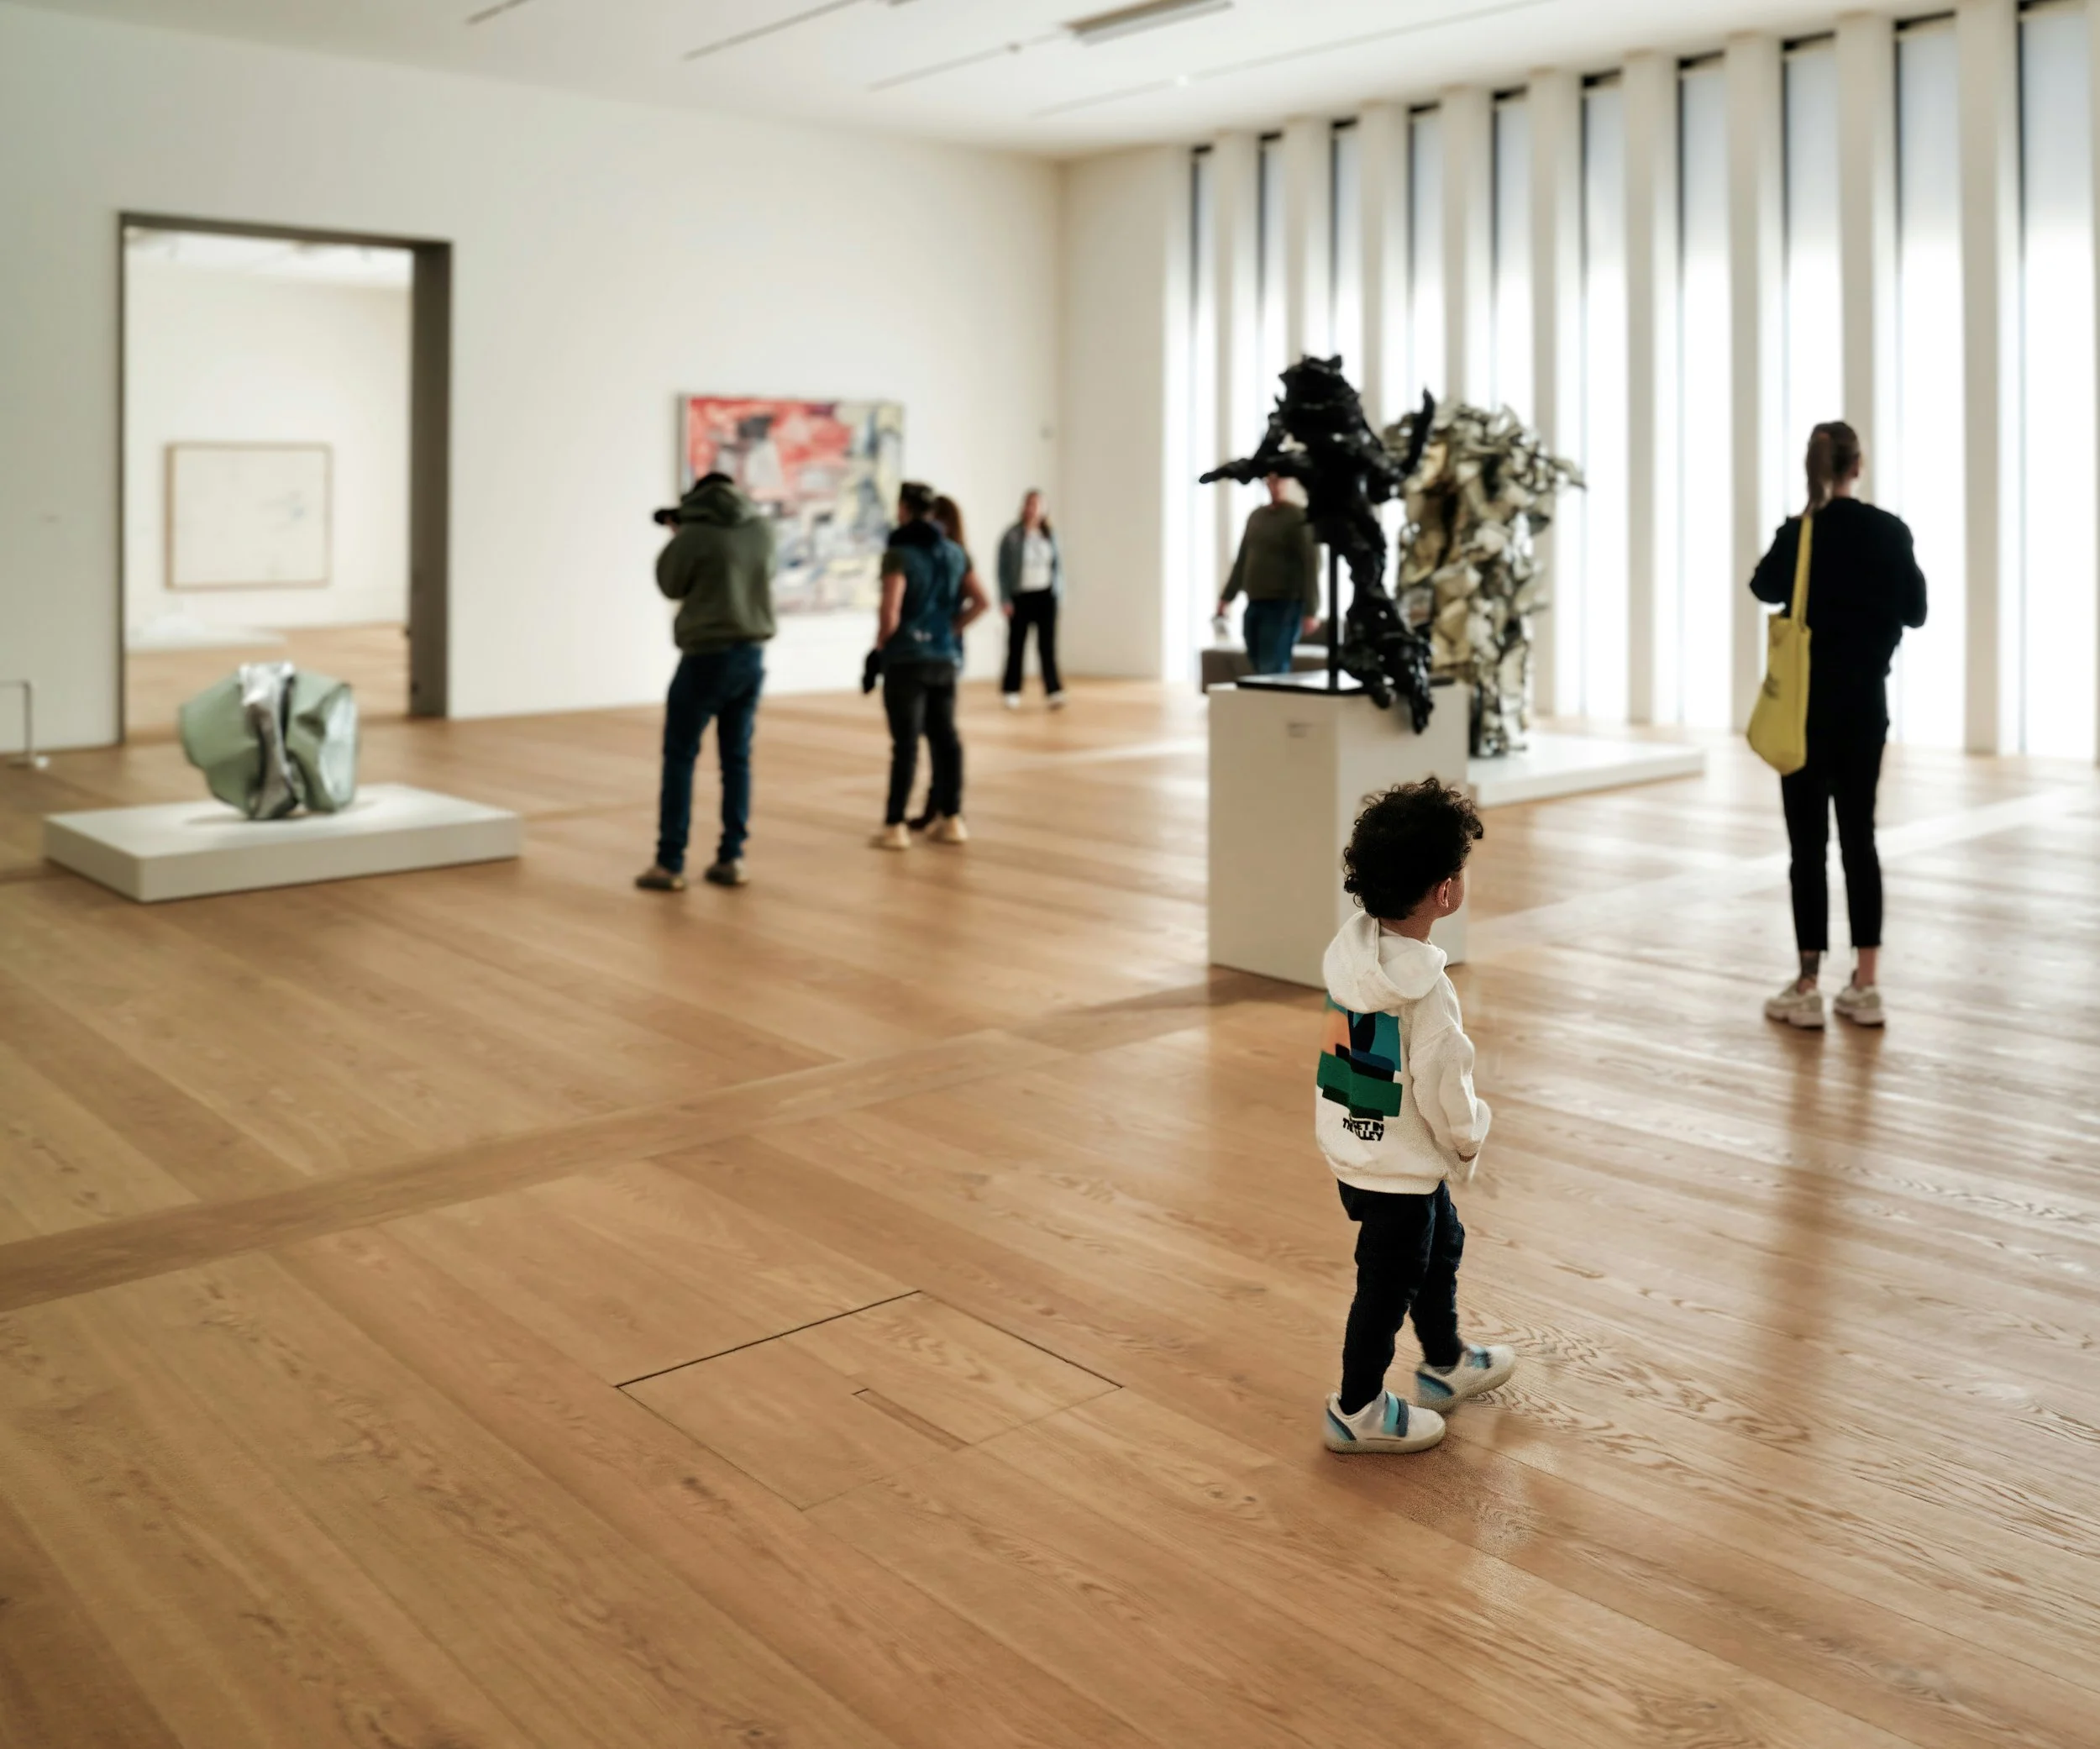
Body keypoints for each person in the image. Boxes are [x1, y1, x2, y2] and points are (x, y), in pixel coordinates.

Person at [1317, 779, 1514, 1455]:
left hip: (1356, 1151)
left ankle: (1444, 1361)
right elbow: (1445, 1092)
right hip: (1400, 1167)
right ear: (1446, 892)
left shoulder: (1353, 958)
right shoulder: (1428, 993)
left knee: (1439, 1246)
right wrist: (1468, 1142)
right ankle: (1357, 1407)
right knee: (1386, 1285)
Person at [1751, 421, 1928, 1029]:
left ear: (1811, 468)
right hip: (1864, 711)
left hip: (1803, 715)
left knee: (1808, 847)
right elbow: (1917, 611)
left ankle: (1806, 985)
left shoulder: (1798, 535)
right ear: (1859, 465)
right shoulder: (1889, 532)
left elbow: (1762, 586)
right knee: (1860, 840)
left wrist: (1807, 522)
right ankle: (1867, 984)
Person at [636, 470, 776, 892]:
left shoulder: (694, 535)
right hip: (752, 656)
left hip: (705, 657)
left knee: (680, 757)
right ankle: (732, 857)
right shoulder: (763, 530)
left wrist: (679, 535)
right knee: (737, 760)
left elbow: (669, 584)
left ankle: (670, 862)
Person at [871, 481, 989, 852]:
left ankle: (895, 826)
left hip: (907, 659)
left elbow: (891, 611)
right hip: (945, 658)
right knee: (946, 739)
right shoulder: (955, 553)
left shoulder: (899, 554)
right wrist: (951, 629)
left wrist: (880, 645)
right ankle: (952, 819)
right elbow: (981, 601)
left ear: (904, 509)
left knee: (905, 743)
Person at [1219, 473, 1321, 675]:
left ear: (1288, 482)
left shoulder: (1298, 518)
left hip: (1284, 605)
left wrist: (1311, 610)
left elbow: (1311, 564)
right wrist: (1226, 597)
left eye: (1280, 481)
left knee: (1272, 664)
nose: (1275, 486)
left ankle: (1279, 704)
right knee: (1255, 659)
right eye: (1270, 481)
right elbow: (1242, 559)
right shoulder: (1256, 517)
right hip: (1255, 601)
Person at [996, 489, 1065, 710]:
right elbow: (1002, 570)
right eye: (1030, 503)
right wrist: (1005, 598)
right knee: (1016, 645)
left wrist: (1058, 592)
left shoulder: (1049, 535)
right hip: (1021, 596)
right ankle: (1012, 690)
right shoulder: (1012, 535)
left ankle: (1053, 690)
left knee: (1047, 646)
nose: (1033, 508)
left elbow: (1058, 566)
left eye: (1038, 504)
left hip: (1046, 596)